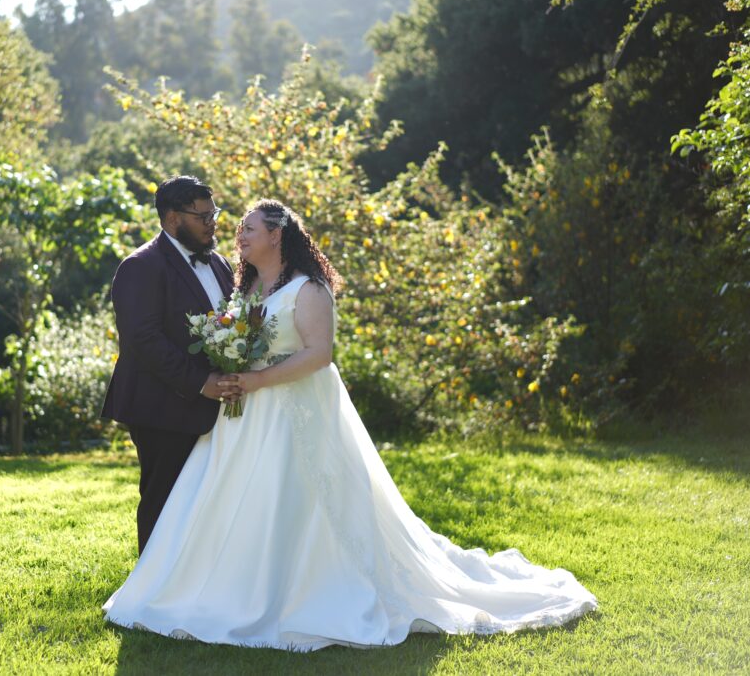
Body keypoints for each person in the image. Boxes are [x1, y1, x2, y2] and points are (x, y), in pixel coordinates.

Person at [103, 199, 598, 650]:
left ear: (277, 234)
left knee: (297, 502)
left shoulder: (309, 289)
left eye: (248, 227)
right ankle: (215, 587)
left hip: (292, 409)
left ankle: (301, 592)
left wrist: (257, 380)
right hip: (241, 420)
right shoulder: (245, 285)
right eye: (236, 228)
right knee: (226, 501)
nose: (237, 234)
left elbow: (320, 357)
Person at [101, 175, 240, 555]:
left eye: (214, 213)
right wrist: (202, 383)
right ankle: (149, 593)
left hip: (219, 409)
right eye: (203, 216)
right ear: (172, 218)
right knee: (163, 501)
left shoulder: (221, 264)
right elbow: (143, 341)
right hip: (160, 406)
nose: (213, 222)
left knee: (209, 503)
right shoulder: (140, 266)